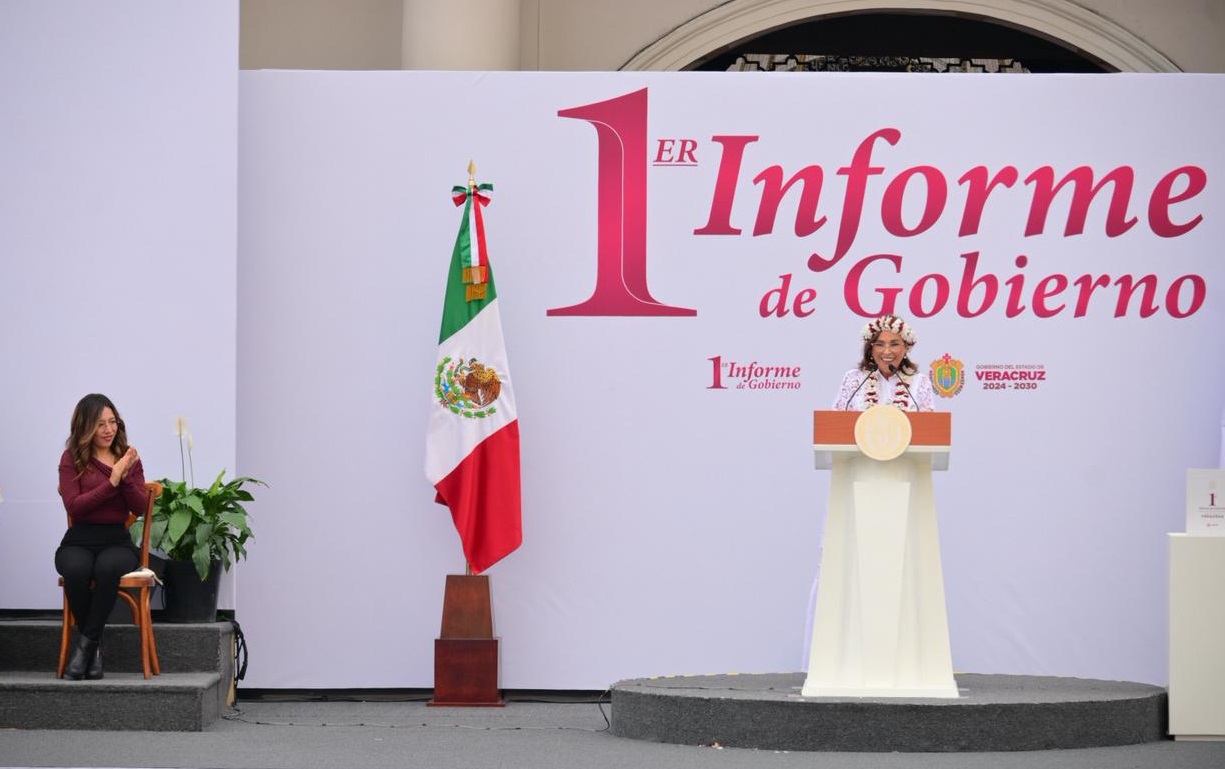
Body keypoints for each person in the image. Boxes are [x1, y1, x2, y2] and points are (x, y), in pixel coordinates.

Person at [55, 393, 146, 680]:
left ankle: (85, 647)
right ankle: (94, 647)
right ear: (85, 427)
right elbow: (75, 507)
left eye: (112, 422)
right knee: (75, 569)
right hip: (79, 539)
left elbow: (140, 507)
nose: (109, 430)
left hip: (117, 541)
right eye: (100, 424)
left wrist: (125, 476)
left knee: (107, 568)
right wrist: (112, 480)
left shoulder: (128, 457)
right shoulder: (71, 458)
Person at [834, 314, 934, 411]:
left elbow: (927, 422)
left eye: (894, 344)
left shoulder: (920, 382)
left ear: (906, 348)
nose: (887, 352)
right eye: (879, 344)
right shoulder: (854, 379)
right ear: (871, 349)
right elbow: (838, 418)